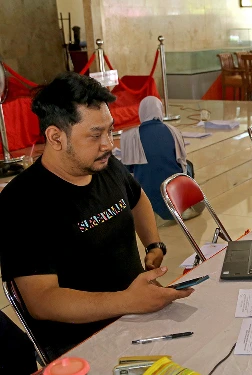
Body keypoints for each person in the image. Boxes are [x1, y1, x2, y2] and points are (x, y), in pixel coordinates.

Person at [0, 72, 193, 361]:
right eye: (95, 135)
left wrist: (153, 244)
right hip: (82, 342)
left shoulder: (104, 166)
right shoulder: (22, 203)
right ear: (55, 137)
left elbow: (137, 198)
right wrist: (126, 301)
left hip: (136, 315)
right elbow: (42, 301)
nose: (109, 144)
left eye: (110, 131)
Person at [121, 96, 198, 224]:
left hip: (145, 193)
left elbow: (128, 169)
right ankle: (185, 203)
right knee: (188, 165)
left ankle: (148, 210)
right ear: (160, 110)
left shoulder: (130, 136)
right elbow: (182, 163)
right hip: (173, 192)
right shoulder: (173, 131)